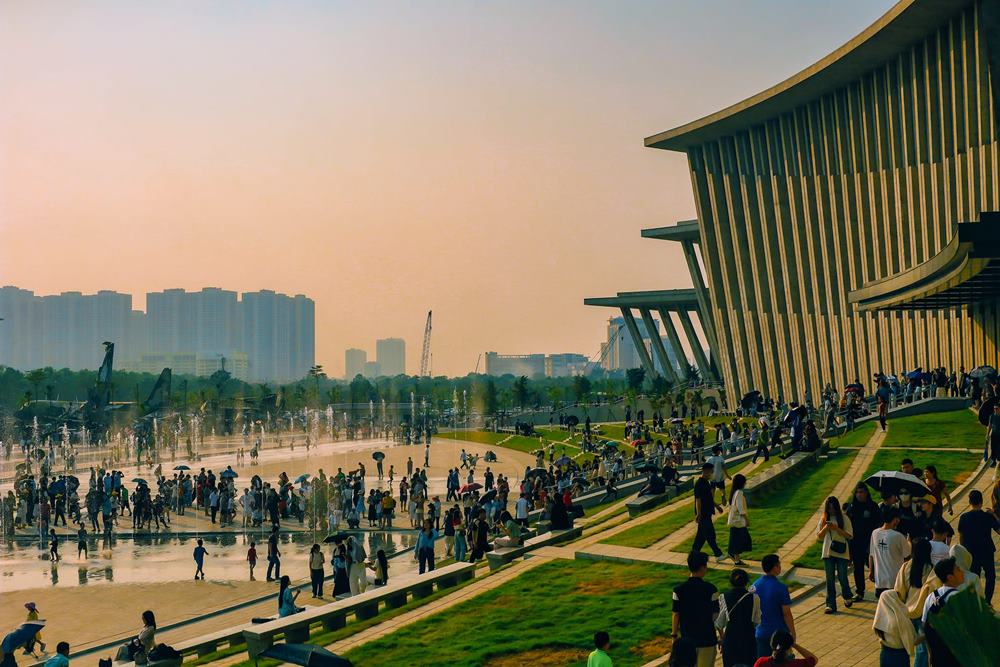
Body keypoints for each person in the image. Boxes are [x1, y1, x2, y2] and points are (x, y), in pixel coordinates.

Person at [671, 551, 720, 667]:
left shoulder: (678, 590)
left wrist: (674, 636)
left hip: (687, 641)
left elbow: (676, 614)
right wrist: (722, 637)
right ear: (703, 567)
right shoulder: (711, 589)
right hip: (707, 639)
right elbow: (716, 616)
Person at [893, 539, 934, 667]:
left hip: (907, 612)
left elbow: (898, 590)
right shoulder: (931, 570)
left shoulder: (906, 567)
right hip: (923, 614)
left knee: (910, 647)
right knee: (922, 650)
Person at [921, 558, 965, 666]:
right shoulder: (959, 599)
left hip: (938, 655)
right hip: (956, 656)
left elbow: (925, 628)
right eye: (958, 570)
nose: (962, 572)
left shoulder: (931, 597)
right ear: (950, 577)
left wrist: (931, 653)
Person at [957, 489, 998, 601]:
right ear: (981, 502)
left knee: (974, 576)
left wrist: (963, 548)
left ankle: (976, 600)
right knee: (990, 576)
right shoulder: (987, 516)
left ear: (969, 502)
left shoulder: (964, 517)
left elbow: (961, 535)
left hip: (971, 551)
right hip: (986, 550)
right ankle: (988, 601)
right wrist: (994, 514)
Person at [751, 554, 795, 660]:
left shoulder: (754, 586)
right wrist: (793, 633)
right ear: (775, 567)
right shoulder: (781, 588)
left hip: (760, 633)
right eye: (779, 564)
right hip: (779, 635)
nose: (780, 566)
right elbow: (786, 614)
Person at [716, 568, 760, 667]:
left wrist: (722, 639)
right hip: (748, 639)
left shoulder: (724, 597)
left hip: (730, 640)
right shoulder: (754, 598)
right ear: (746, 582)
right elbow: (757, 621)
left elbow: (719, 623)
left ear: (731, 582)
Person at [816, 496, 853, 613]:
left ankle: (847, 596)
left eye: (833, 508)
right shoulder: (824, 518)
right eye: (829, 508)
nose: (831, 510)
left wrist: (836, 528)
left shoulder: (844, 518)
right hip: (828, 552)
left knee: (842, 576)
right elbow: (819, 536)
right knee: (830, 579)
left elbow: (850, 535)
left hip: (841, 551)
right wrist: (826, 528)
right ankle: (830, 604)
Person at [844, 483, 880, 601]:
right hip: (856, 543)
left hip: (870, 541)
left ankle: (880, 588)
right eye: (857, 492)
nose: (859, 495)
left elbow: (878, 523)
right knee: (858, 568)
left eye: (862, 492)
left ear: (866, 493)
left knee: (873, 566)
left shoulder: (873, 506)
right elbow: (847, 525)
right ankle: (860, 592)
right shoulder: (852, 507)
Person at [869, 507, 910, 598]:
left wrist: (871, 571)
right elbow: (907, 555)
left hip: (879, 581)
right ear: (895, 520)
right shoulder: (898, 536)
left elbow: (871, 555)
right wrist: (909, 542)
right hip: (895, 581)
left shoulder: (875, 533)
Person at [693, 463, 724, 561]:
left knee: (701, 536)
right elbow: (698, 500)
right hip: (703, 513)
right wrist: (698, 513)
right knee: (710, 534)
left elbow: (709, 498)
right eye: (711, 470)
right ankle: (718, 554)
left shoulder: (707, 482)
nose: (712, 472)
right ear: (705, 471)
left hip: (707, 512)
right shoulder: (699, 484)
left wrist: (716, 506)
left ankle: (694, 553)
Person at [752, 629, 817, 667]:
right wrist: (795, 645)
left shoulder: (761, 662)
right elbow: (813, 659)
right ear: (788, 649)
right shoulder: (795, 664)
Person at [726, 474, 751, 565]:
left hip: (735, 521)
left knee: (736, 540)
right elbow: (740, 508)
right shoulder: (739, 493)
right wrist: (746, 520)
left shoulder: (734, 492)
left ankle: (733, 554)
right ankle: (736, 559)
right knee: (739, 540)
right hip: (738, 521)